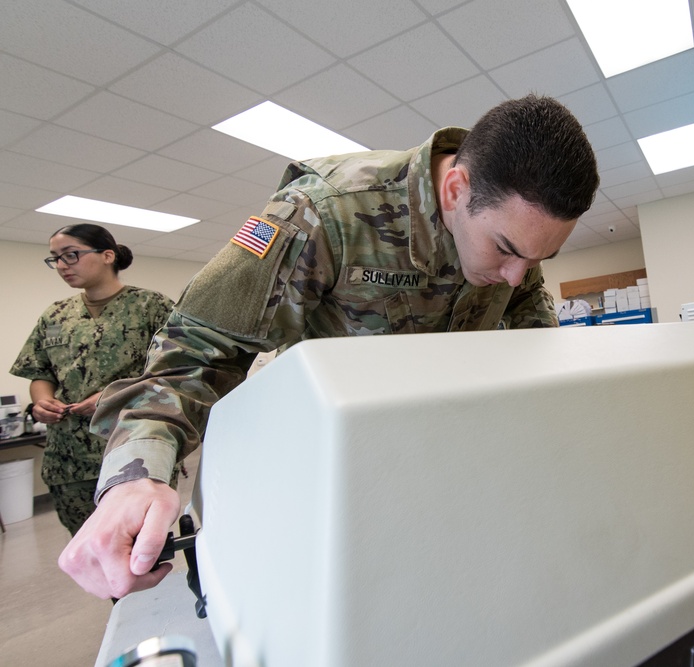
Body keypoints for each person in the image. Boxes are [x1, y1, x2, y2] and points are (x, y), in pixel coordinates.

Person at [58, 94, 600, 598]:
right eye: (505, 250)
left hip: (450, 470)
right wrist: (135, 477)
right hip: (345, 480)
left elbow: (532, 342)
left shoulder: (515, 247)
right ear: (456, 190)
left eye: (536, 261)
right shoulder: (325, 212)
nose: (515, 277)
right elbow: (194, 353)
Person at [9, 224, 175, 535]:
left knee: (142, 544)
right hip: (69, 458)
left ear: (107, 255)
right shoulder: (56, 315)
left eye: (71, 255)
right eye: (55, 258)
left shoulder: (152, 306)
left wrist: (112, 396)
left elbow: (174, 371)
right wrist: (42, 400)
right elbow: (39, 370)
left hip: (133, 449)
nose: (61, 265)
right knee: (89, 544)